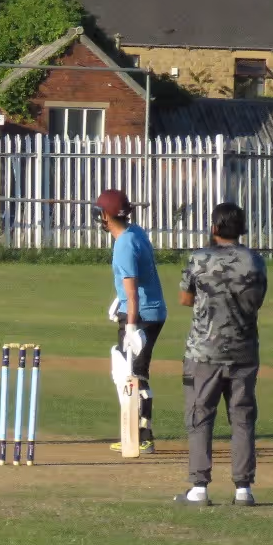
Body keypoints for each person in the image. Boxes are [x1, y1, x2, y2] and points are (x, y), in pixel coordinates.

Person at [175, 202, 267, 506]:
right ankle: (244, 489)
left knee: (200, 416)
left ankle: (199, 487)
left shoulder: (199, 258)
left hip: (204, 350)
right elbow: (257, 300)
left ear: (214, 227)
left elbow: (185, 299)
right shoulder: (255, 261)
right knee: (242, 418)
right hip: (243, 349)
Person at [96, 187, 166, 454]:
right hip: (146, 311)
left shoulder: (124, 245)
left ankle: (142, 437)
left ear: (104, 215)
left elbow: (133, 292)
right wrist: (120, 303)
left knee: (134, 375)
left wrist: (132, 326)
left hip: (142, 315)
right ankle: (135, 433)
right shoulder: (135, 232)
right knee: (126, 371)